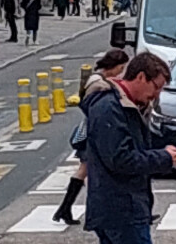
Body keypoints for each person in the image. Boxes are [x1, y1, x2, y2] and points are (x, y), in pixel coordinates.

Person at [83, 52, 176, 244]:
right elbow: (121, 159)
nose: (157, 95)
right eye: (156, 87)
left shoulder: (125, 106)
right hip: (121, 209)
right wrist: (163, 158)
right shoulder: (110, 108)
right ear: (140, 77)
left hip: (116, 208)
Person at [53, 48, 129, 225]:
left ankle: (65, 209)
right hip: (93, 133)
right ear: (113, 66)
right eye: (121, 67)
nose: (121, 72)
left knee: (84, 171)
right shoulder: (98, 83)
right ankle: (70, 209)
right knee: (91, 172)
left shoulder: (99, 79)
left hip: (91, 131)